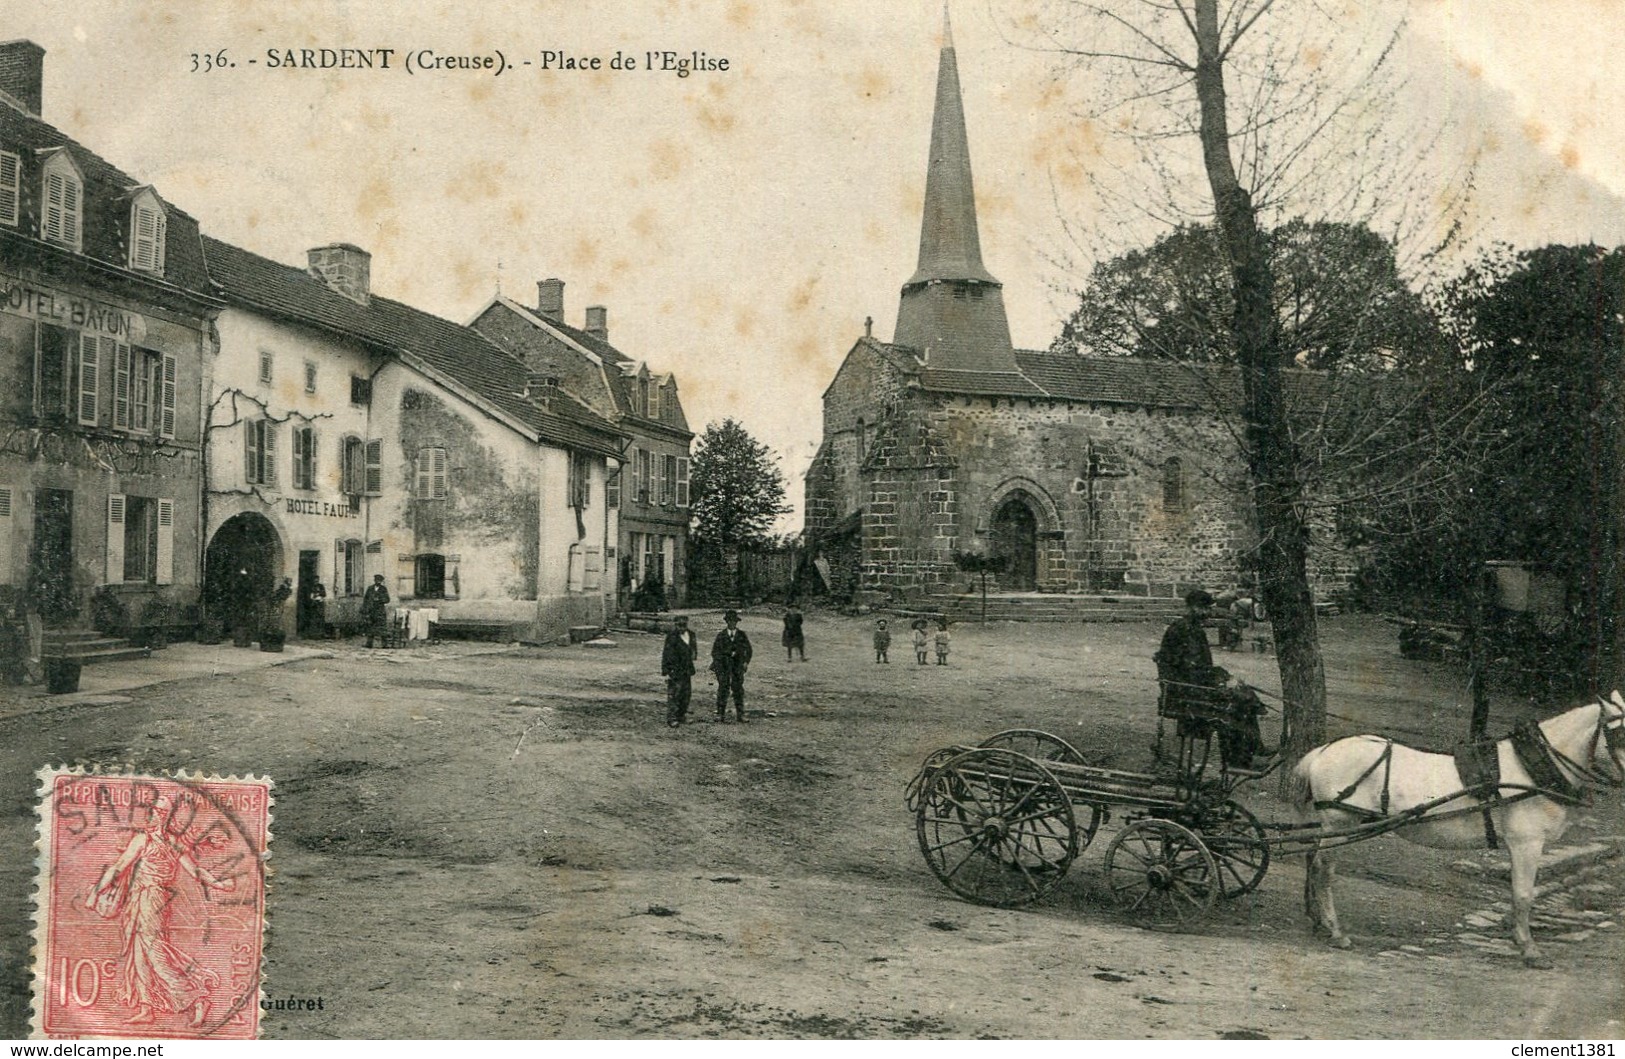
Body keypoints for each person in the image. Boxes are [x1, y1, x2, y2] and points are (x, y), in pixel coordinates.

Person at [87, 792, 235, 1027]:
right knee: (139, 956)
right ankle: (147, 1008)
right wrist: (97, 890)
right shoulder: (142, 839)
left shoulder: (170, 843)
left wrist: (218, 884)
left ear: (166, 816)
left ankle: (197, 999)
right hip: (139, 899)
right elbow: (119, 868)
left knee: (156, 955)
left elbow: (194, 871)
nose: (153, 814)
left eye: (158, 811)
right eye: (152, 810)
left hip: (154, 898)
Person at [1154, 588, 1268, 768]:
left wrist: (1225, 677)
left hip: (1190, 685)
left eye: (1209, 609)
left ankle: (1254, 750)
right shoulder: (1184, 630)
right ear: (1192, 608)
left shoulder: (1191, 629)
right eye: (1204, 609)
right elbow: (1193, 670)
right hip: (1186, 691)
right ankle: (1239, 759)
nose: (1208, 613)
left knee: (1243, 693)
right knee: (1237, 701)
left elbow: (1200, 668)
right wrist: (1221, 682)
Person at [710, 609, 752, 723]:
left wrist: (745, 662)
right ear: (727, 622)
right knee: (723, 687)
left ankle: (740, 714)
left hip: (737, 665)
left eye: (734, 621)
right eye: (730, 621)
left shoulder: (742, 635)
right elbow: (715, 652)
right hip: (723, 665)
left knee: (738, 688)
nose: (732, 623)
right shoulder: (721, 636)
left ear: (736, 622)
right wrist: (719, 664)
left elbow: (748, 650)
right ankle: (720, 714)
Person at [661, 615, 698, 727]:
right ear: (675, 625)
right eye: (679, 625)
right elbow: (666, 654)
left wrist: (693, 654)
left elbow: (694, 650)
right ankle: (672, 718)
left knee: (686, 694)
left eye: (684, 625)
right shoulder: (671, 637)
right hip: (675, 669)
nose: (682, 628)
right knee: (674, 694)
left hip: (687, 669)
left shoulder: (691, 635)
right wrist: (666, 671)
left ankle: (682, 715)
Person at [362, 574, 391, 648]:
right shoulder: (370, 588)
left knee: (382, 628)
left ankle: (384, 645)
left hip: (380, 611)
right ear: (374, 580)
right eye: (376, 580)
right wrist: (365, 609)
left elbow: (387, 599)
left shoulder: (383, 589)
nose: (378, 582)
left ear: (381, 581)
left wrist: (380, 600)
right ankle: (369, 644)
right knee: (370, 627)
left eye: (379, 580)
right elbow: (365, 599)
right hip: (371, 611)